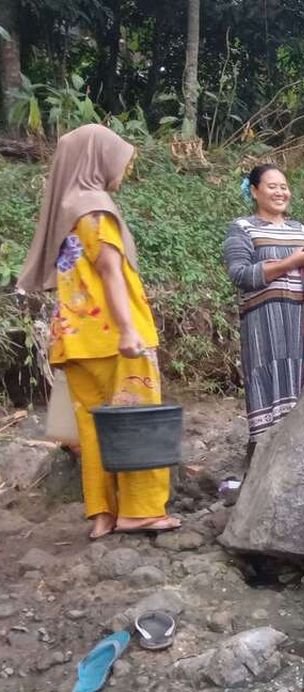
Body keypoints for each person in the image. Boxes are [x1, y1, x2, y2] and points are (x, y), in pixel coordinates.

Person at [17, 124, 180, 540]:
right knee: (137, 418)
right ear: (97, 158)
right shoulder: (96, 210)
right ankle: (140, 511)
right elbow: (110, 273)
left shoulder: (65, 210)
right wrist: (128, 331)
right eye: (121, 160)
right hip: (114, 338)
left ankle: (103, 514)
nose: (124, 169)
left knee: (92, 429)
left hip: (74, 340)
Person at [222, 164, 304, 462]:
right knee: (269, 382)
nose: (280, 192)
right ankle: (262, 459)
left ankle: (302, 455)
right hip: (264, 324)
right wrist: (289, 264)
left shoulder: (299, 230)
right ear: (254, 191)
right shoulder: (242, 228)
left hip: (301, 323)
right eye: (272, 186)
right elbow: (240, 274)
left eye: (284, 187)